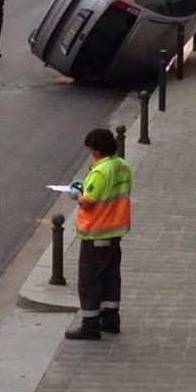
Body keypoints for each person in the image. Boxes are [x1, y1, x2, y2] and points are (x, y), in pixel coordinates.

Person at [65, 128, 132, 340]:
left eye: (91, 149)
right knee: (111, 277)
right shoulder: (122, 166)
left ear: (97, 150)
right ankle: (110, 319)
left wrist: (76, 194)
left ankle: (90, 325)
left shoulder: (100, 171)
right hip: (115, 231)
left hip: (96, 234)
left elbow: (88, 202)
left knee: (90, 280)